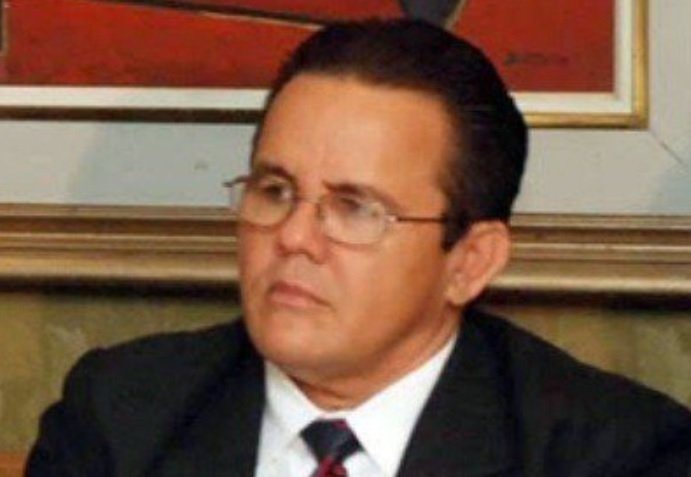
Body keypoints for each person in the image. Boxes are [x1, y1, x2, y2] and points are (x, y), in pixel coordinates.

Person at [27, 19, 691, 477]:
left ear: (470, 262)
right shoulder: (120, 414)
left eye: (354, 209)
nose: (293, 237)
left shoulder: (612, 454)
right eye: (275, 190)